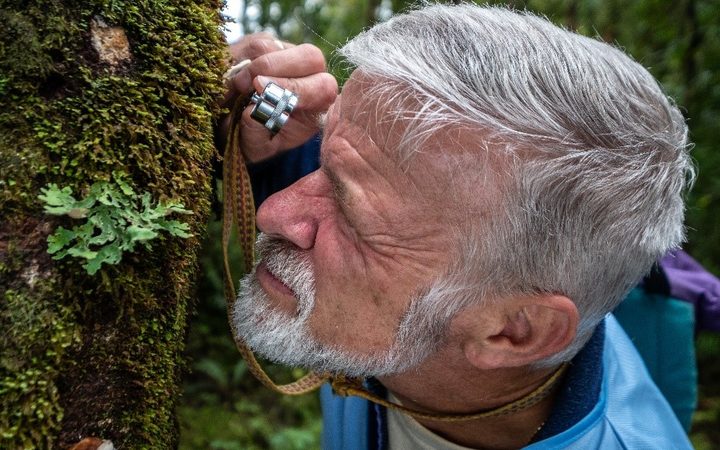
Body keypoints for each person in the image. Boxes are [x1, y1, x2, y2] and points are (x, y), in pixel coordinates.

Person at [223, 5, 695, 449]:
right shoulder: (465, 256)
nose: (275, 213)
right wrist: (260, 128)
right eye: (322, 164)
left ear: (514, 331)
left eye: (354, 219)